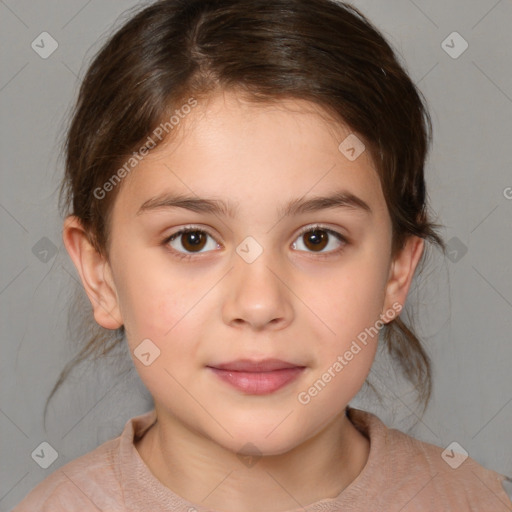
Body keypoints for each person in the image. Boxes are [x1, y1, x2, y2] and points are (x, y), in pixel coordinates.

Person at [13, 0, 512, 510]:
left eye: (317, 239)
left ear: (395, 273)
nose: (258, 305)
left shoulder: (476, 500)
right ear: (101, 276)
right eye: (192, 239)